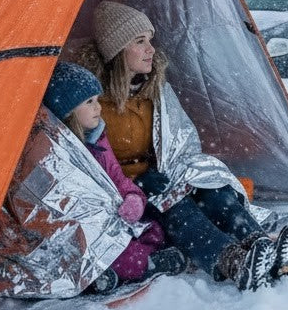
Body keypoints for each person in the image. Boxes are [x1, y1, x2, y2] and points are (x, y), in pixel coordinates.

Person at [71, 0, 288, 292]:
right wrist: (136, 183)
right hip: (126, 194)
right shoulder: (92, 104)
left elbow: (178, 140)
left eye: (150, 40)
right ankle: (232, 262)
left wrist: (181, 174)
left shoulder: (154, 89)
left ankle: (258, 243)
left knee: (213, 189)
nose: (151, 49)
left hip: (162, 177)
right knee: (177, 207)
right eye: (140, 42)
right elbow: (91, 163)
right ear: (118, 50)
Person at [42, 61, 187, 292]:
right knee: (122, 253)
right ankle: (141, 266)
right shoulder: (56, 151)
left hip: (108, 216)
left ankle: (105, 274)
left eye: (98, 100)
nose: (98, 108)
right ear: (68, 111)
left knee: (153, 231)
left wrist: (133, 197)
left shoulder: (98, 137)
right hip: (80, 227)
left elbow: (116, 176)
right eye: (89, 102)